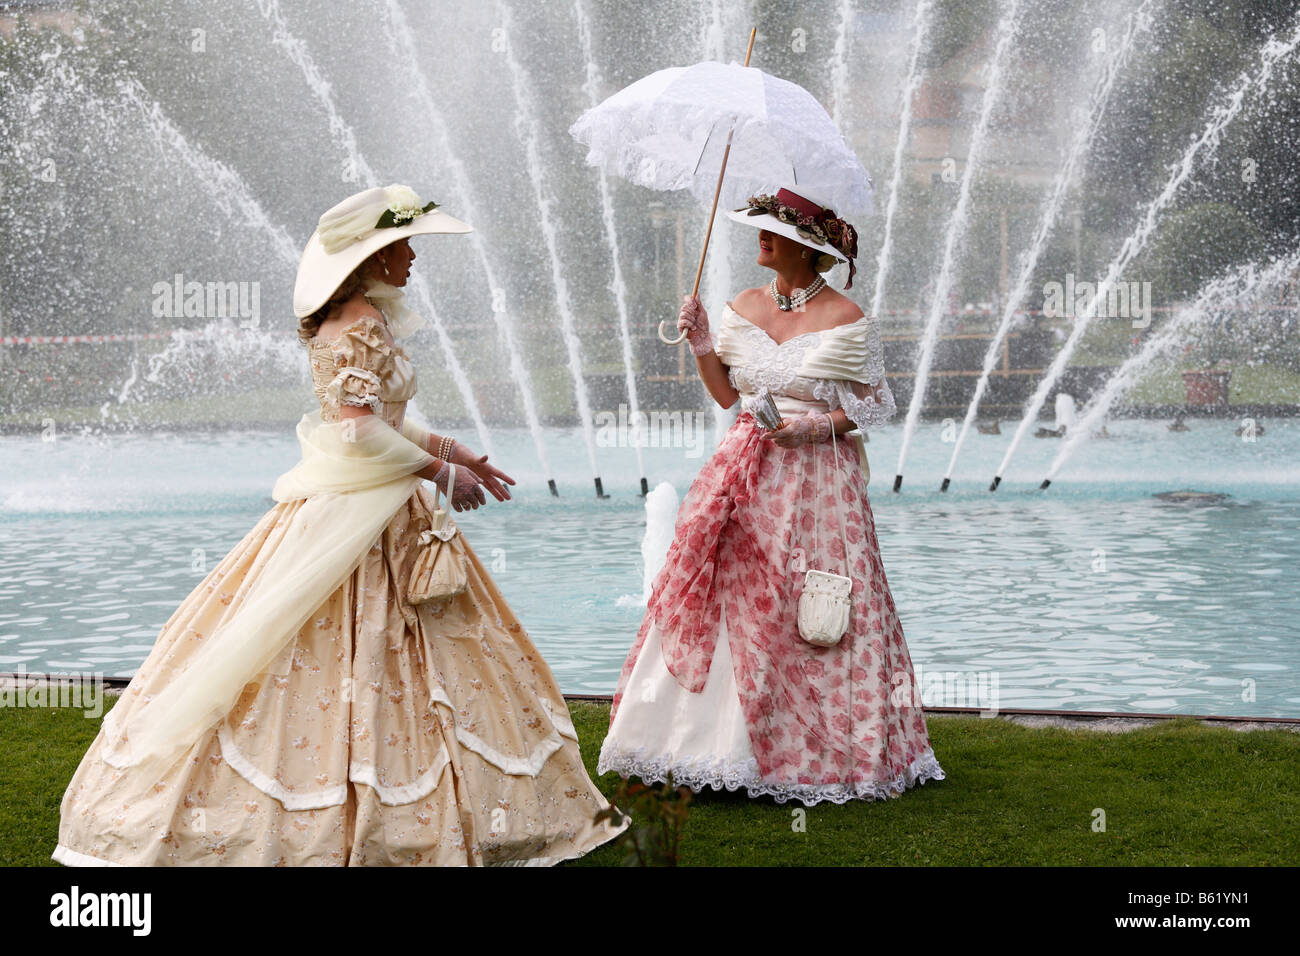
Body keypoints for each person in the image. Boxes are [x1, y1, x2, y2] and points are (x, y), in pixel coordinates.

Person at [52, 184, 624, 866]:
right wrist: (439, 474)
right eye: (405, 244)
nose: (413, 256)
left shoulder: (351, 320)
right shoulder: (361, 325)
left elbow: (377, 422)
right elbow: (357, 436)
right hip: (364, 516)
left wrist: (451, 451)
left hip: (362, 504)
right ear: (375, 255)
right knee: (368, 657)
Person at [599, 187, 945, 805]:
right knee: (722, 586)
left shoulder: (846, 319)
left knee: (810, 598)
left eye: (771, 232)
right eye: (759, 229)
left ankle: (816, 752)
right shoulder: (743, 304)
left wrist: (806, 428)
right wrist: (703, 341)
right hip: (744, 469)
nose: (759, 238)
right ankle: (706, 749)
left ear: (807, 249)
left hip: (816, 482)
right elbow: (728, 397)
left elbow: (872, 409)